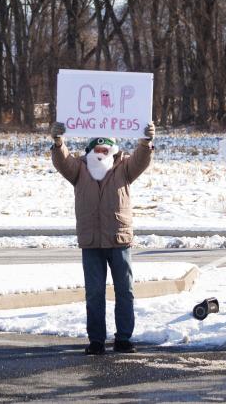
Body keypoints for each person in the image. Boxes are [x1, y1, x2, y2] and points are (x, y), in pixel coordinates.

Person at [50, 121, 154, 354]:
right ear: (89, 152)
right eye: (96, 149)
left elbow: (141, 159)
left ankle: (123, 339)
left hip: (119, 240)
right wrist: (58, 142)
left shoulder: (124, 168)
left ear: (113, 152)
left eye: (105, 149)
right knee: (94, 293)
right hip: (91, 242)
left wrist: (146, 142)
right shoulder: (79, 169)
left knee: (125, 292)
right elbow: (62, 161)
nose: (101, 153)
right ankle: (96, 340)